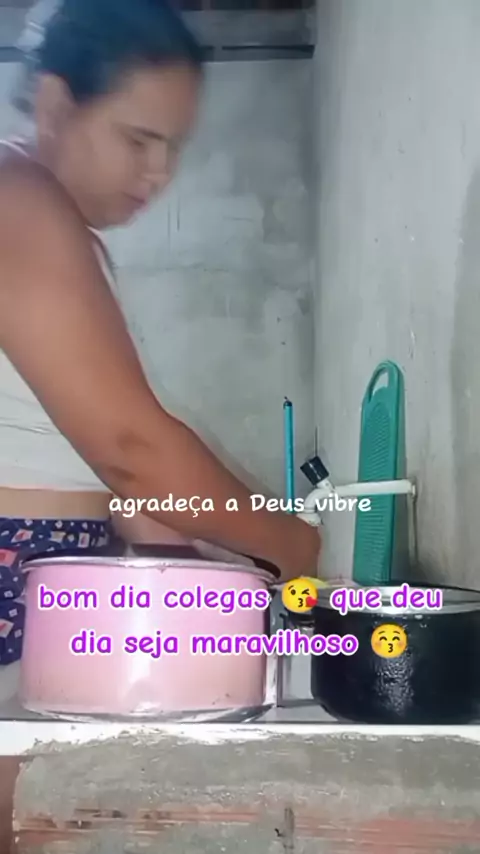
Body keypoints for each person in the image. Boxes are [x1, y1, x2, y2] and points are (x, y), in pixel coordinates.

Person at [0, 0, 321, 665]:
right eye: (138, 140)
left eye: (174, 147)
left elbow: (108, 474)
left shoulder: (51, 222)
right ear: (56, 105)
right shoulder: (18, 201)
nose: (159, 174)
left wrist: (212, 562)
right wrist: (301, 551)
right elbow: (131, 448)